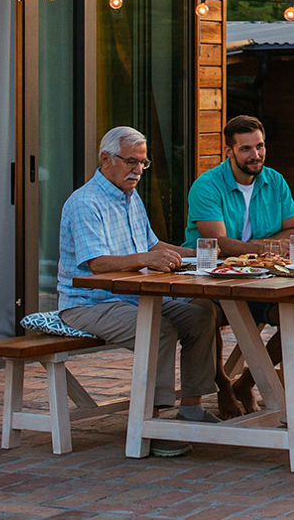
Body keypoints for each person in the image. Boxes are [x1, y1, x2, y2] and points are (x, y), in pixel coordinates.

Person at [57, 126, 220, 458]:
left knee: (203, 313)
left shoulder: (129, 196)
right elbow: (98, 264)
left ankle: (191, 408)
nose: (138, 171)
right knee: (158, 329)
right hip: (88, 303)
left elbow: (150, 244)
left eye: (143, 164)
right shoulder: (85, 202)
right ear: (105, 159)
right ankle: (152, 423)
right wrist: (148, 258)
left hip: (134, 298)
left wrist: (196, 253)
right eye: (131, 162)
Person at [184, 115, 294, 414]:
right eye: (245, 149)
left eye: (259, 146)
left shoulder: (275, 180)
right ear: (229, 151)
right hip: (212, 281)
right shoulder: (206, 186)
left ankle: (246, 382)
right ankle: (222, 385)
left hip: (259, 281)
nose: (255, 155)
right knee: (202, 314)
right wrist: (266, 247)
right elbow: (217, 243)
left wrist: (253, 252)